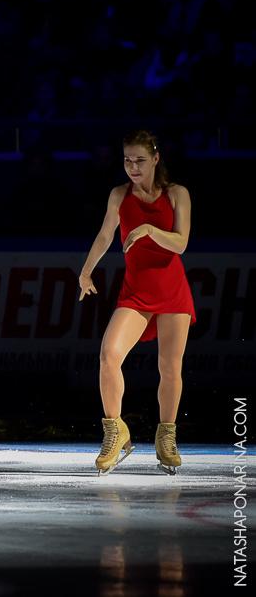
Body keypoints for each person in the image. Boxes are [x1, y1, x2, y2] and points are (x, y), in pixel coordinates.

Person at [79, 129, 194, 476]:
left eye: (140, 160)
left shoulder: (177, 194)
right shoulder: (119, 194)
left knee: (169, 367)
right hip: (135, 291)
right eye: (127, 160)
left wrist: (149, 230)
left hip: (172, 289)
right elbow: (104, 235)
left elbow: (181, 243)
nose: (133, 167)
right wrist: (86, 273)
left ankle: (166, 437)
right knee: (108, 356)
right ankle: (116, 432)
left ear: (156, 159)